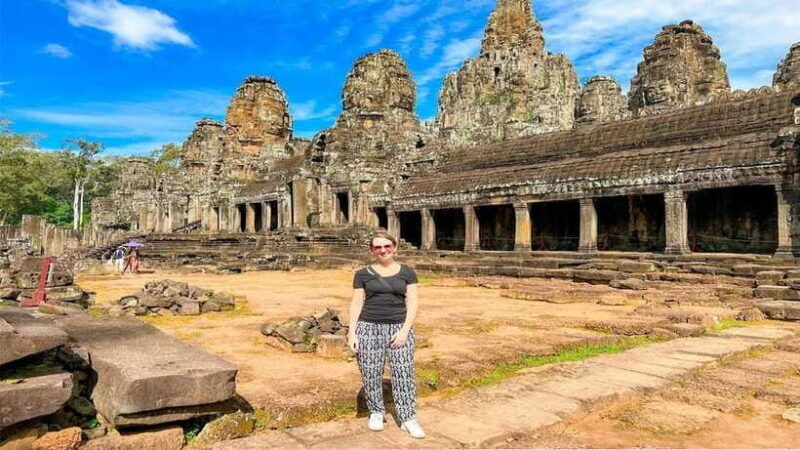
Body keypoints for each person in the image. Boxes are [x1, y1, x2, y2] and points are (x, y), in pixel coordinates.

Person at [347, 232, 425, 439]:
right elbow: (356, 303)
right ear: (372, 250)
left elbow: (413, 302)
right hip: (368, 327)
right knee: (370, 372)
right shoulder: (362, 274)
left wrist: (405, 329)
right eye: (378, 247)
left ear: (395, 247)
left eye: (387, 246)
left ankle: (408, 417)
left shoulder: (407, 273)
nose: (383, 250)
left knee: (403, 372)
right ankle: (376, 412)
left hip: (399, 327)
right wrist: (352, 332)